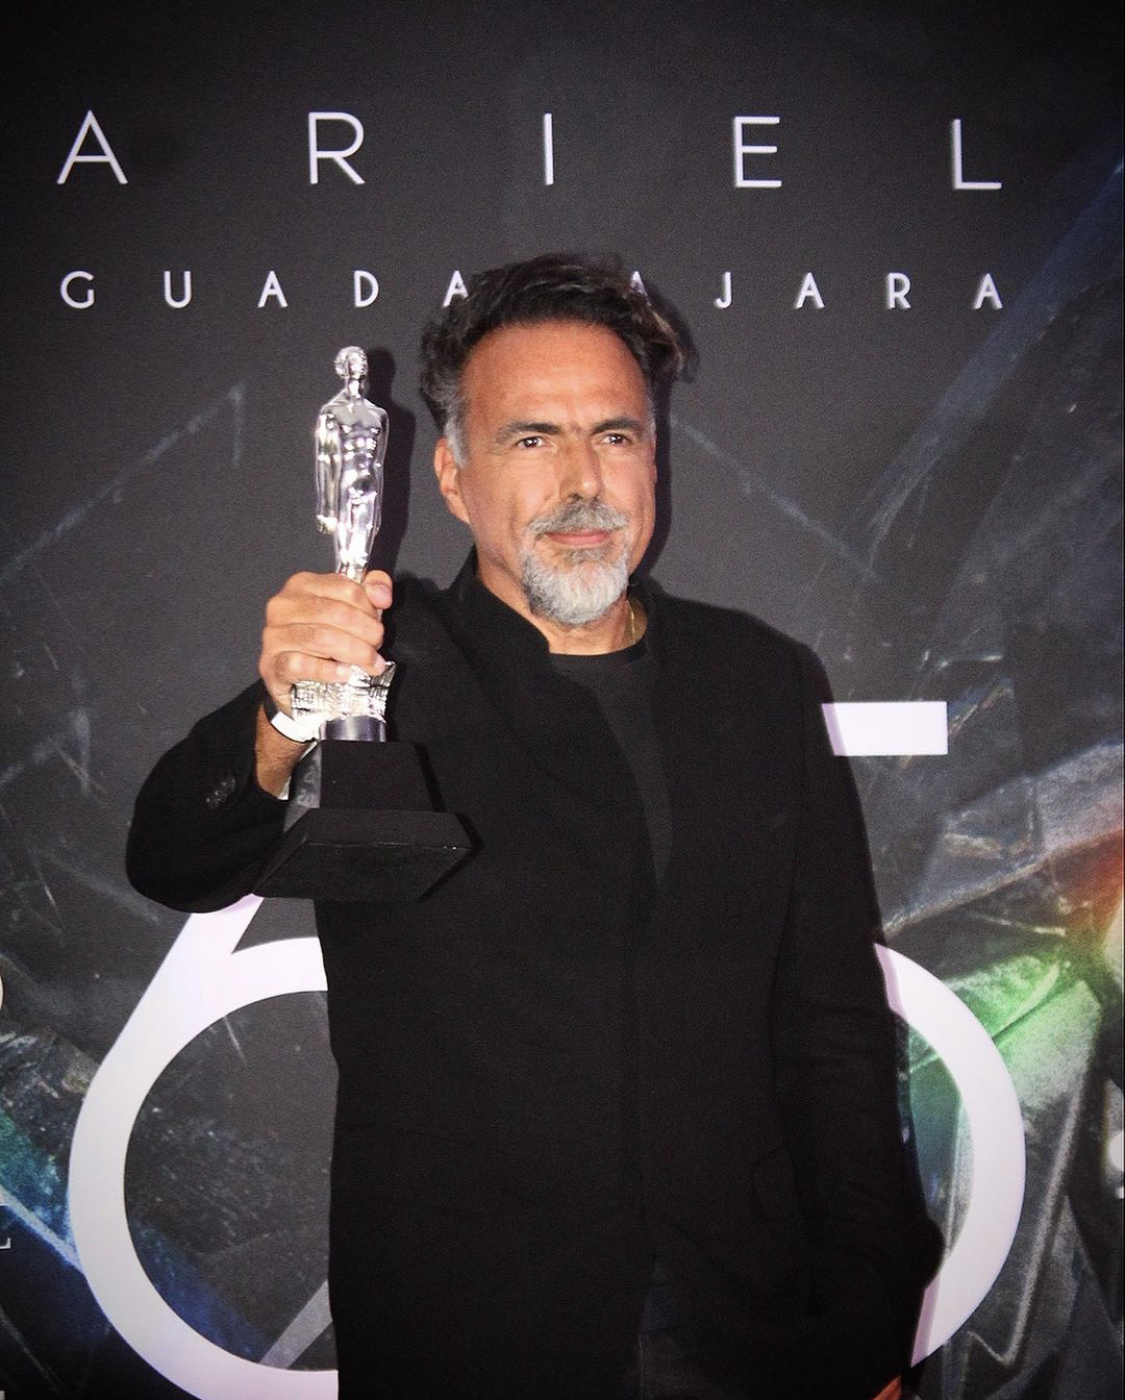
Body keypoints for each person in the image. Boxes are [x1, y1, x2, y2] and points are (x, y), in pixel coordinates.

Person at [127, 254, 940, 1399]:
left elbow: (833, 1023)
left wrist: (868, 1319)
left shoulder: (757, 677)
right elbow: (172, 855)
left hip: (756, 1324)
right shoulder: (380, 671)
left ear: (655, 457)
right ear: (453, 477)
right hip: (470, 1336)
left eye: (614, 435)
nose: (581, 480)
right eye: (530, 438)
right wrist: (283, 714)